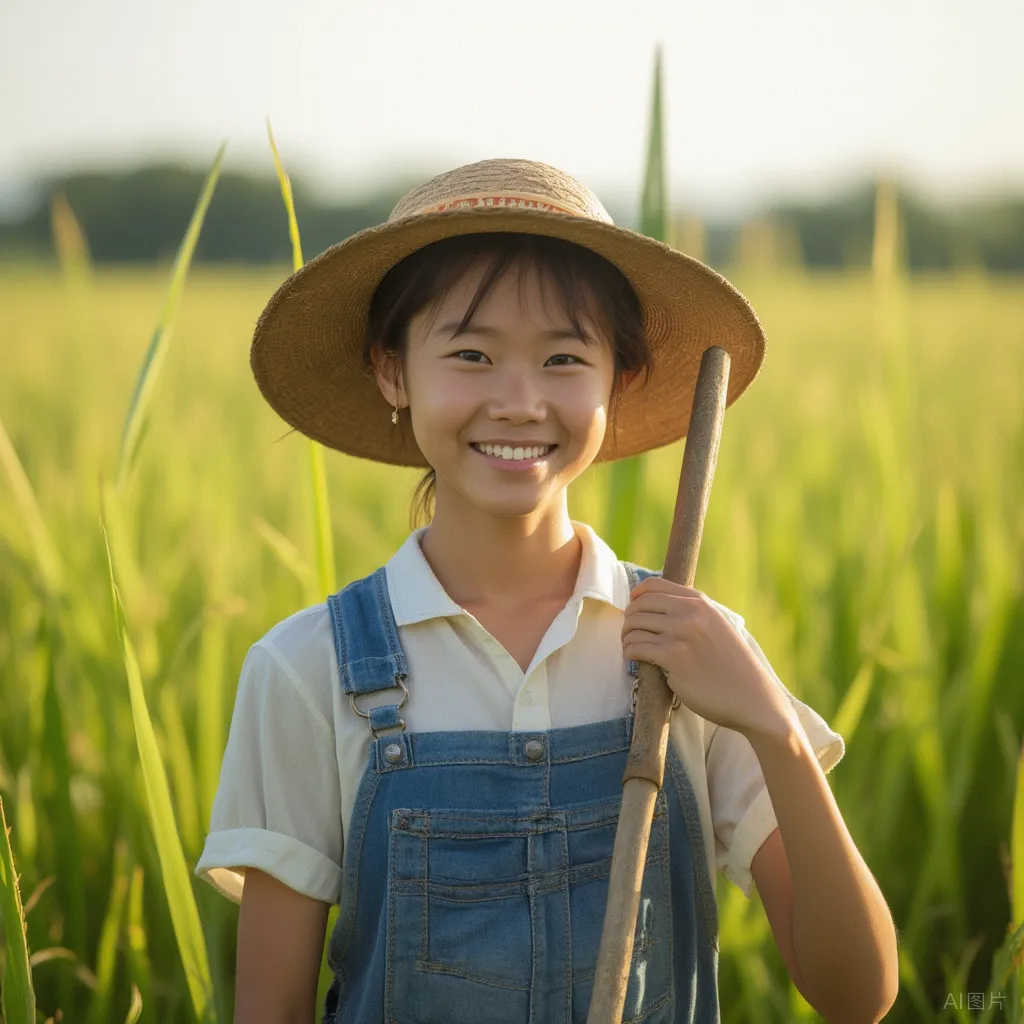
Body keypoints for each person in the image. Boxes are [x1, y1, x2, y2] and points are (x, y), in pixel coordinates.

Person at [195, 158, 865, 1023]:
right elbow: (270, 1010)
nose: (518, 402)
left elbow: (859, 994)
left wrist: (773, 723)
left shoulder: (695, 650)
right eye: (470, 354)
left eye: (563, 358)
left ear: (617, 382)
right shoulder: (306, 669)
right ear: (392, 372)